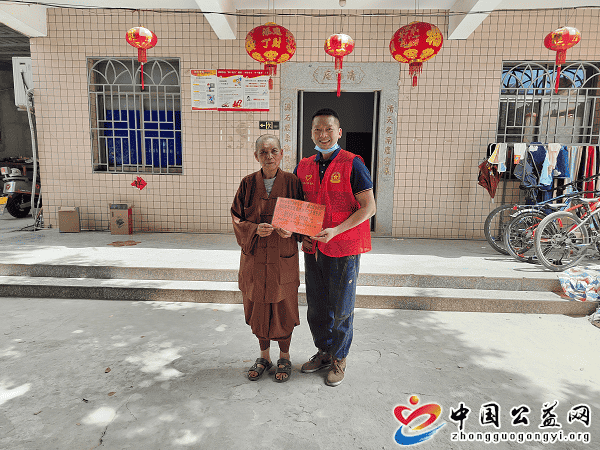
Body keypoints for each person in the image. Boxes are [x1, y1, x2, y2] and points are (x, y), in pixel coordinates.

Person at [294, 108, 376, 387]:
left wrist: (336, 231)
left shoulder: (353, 164)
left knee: (341, 308)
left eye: (328, 129)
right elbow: (298, 207)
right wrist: (301, 234)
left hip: (344, 247)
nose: (323, 135)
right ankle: (324, 352)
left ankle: (340, 357)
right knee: (317, 307)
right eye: (317, 130)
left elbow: (369, 207)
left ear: (339, 132)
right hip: (313, 248)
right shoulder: (303, 166)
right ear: (311, 134)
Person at [231, 134, 304, 382]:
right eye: (263, 152)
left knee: (283, 308)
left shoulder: (293, 182)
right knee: (258, 307)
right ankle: (264, 356)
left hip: (282, 257)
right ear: (256, 156)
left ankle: (285, 357)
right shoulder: (247, 184)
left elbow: (304, 218)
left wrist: (292, 230)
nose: (269, 156)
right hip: (256, 258)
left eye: (274, 151)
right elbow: (237, 217)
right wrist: (253, 229)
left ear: (282, 154)